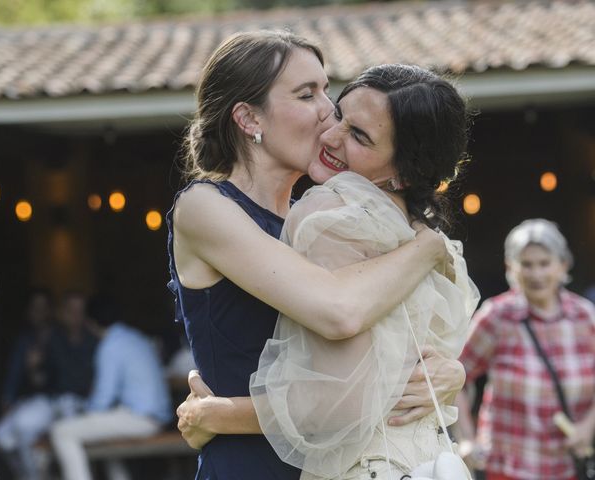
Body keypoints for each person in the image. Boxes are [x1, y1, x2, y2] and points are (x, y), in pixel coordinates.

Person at [168, 30, 466, 480]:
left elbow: (381, 352)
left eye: (327, 91)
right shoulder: (206, 208)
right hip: (253, 468)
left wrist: (449, 373)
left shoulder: (323, 218)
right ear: (249, 118)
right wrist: (428, 245)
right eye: (307, 94)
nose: (328, 110)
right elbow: (339, 311)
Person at [248, 64, 480, 480]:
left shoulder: (333, 214)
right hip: (425, 459)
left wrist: (221, 414)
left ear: (404, 172)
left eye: (359, 136)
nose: (331, 136)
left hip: (368, 464)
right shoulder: (424, 235)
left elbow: (341, 404)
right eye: (339, 115)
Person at [456, 219, 595, 480]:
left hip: (566, 469)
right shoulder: (497, 316)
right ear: (512, 267)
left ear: (562, 265)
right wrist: (466, 439)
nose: (536, 274)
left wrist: (588, 427)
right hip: (507, 468)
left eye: (544, 263)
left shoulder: (585, 317)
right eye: (527, 264)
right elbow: (454, 376)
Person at [50, 294, 171, 480]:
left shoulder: (109, 346)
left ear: (90, 323)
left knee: (62, 431)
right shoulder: (135, 337)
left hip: (141, 419)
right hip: (157, 416)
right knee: (104, 434)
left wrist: (84, 413)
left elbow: (102, 400)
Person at [0, 290, 98, 480]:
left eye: (80, 311)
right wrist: (33, 368)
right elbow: (40, 381)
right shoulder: (52, 338)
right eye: (70, 310)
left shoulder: (94, 340)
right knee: (16, 431)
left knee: (63, 434)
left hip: (81, 404)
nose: (75, 316)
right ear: (62, 313)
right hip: (51, 401)